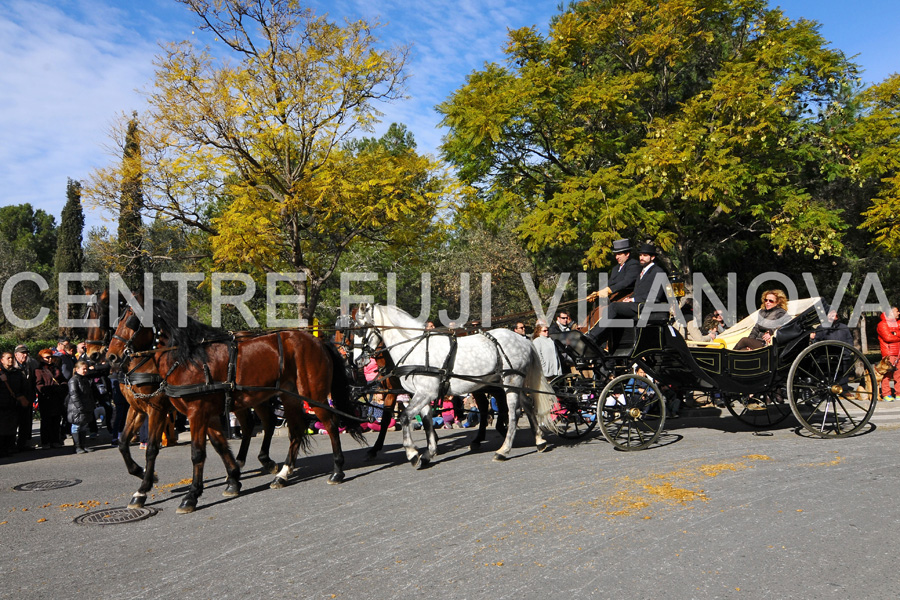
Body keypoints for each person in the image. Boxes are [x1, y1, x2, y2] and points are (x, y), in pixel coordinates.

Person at [586, 243, 669, 344]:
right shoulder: (642, 272)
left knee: (614, 307)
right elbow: (638, 291)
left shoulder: (658, 272)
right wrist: (629, 298)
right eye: (640, 255)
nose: (641, 258)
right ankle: (600, 346)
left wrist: (633, 300)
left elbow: (655, 296)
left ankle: (592, 336)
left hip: (645, 307)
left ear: (652, 257)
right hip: (637, 305)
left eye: (645, 255)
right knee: (613, 315)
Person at [588, 238, 641, 302]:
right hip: (617, 296)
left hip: (629, 296)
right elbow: (610, 282)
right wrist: (596, 293)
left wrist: (609, 290)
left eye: (619, 254)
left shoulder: (634, 265)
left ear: (627, 254)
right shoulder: (615, 268)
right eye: (616, 254)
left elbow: (626, 282)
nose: (616, 257)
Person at [35, 349, 67, 448]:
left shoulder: (56, 368)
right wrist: (48, 390)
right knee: (46, 421)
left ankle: (55, 440)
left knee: (56, 420)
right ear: (41, 358)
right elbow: (38, 384)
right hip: (46, 399)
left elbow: (63, 380)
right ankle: (45, 441)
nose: (49, 359)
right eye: (47, 357)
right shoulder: (38, 370)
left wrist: (63, 387)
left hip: (57, 398)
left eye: (51, 357)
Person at [1, 351, 28, 457]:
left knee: (12, 426)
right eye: (8, 358)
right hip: (2, 404)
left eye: (12, 358)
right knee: (2, 427)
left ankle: (11, 446)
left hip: (14, 403)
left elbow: (23, 387)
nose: (11, 360)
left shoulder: (17, 373)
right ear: (2, 360)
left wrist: (22, 397)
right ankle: (2, 448)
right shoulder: (0, 373)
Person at [66, 360, 96, 454]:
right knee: (76, 426)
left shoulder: (85, 379)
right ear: (77, 369)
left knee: (83, 426)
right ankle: (77, 446)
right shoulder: (73, 380)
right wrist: (79, 407)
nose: (85, 371)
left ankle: (83, 445)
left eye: (86, 369)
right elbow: (74, 394)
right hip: (76, 407)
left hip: (85, 405)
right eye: (83, 369)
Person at [12, 344, 38, 451]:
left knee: (25, 423)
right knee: (14, 423)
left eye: (26, 353)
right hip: (15, 400)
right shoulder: (12, 366)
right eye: (22, 353)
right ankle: (11, 445)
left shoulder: (28, 365)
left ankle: (22, 444)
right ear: (16, 354)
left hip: (28, 399)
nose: (25, 355)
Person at [877, 306, 900, 402]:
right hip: (889, 353)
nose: (899, 313)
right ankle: (886, 394)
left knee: (898, 374)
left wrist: (895, 334)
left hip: (898, 352)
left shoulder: (898, 323)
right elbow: (888, 338)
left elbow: (893, 336)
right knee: (887, 374)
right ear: (890, 313)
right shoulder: (882, 324)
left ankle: (898, 393)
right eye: (897, 311)